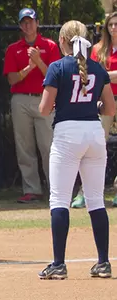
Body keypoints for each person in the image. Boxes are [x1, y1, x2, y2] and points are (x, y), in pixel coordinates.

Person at [37, 20, 114, 280]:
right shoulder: (97, 67)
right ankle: (103, 262)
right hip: (93, 132)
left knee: (60, 199)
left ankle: (59, 263)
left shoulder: (58, 67)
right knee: (96, 199)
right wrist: (93, 106)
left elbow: (44, 109)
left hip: (67, 134)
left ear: (62, 41)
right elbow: (110, 108)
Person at [3, 8, 61, 203]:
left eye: (31, 21)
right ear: (20, 25)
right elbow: (12, 79)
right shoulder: (13, 48)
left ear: (37, 24)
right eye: (24, 22)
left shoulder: (50, 46)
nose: (27, 25)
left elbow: (55, 77)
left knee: (48, 145)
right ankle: (32, 189)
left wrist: (38, 61)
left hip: (44, 97)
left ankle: (55, 188)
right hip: (20, 99)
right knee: (24, 147)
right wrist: (29, 67)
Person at [72, 11, 117, 208]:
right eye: (111, 25)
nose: (114, 28)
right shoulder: (98, 49)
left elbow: (101, 74)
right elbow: (91, 74)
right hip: (104, 99)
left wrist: (105, 74)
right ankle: (85, 192)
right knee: (96, 144)